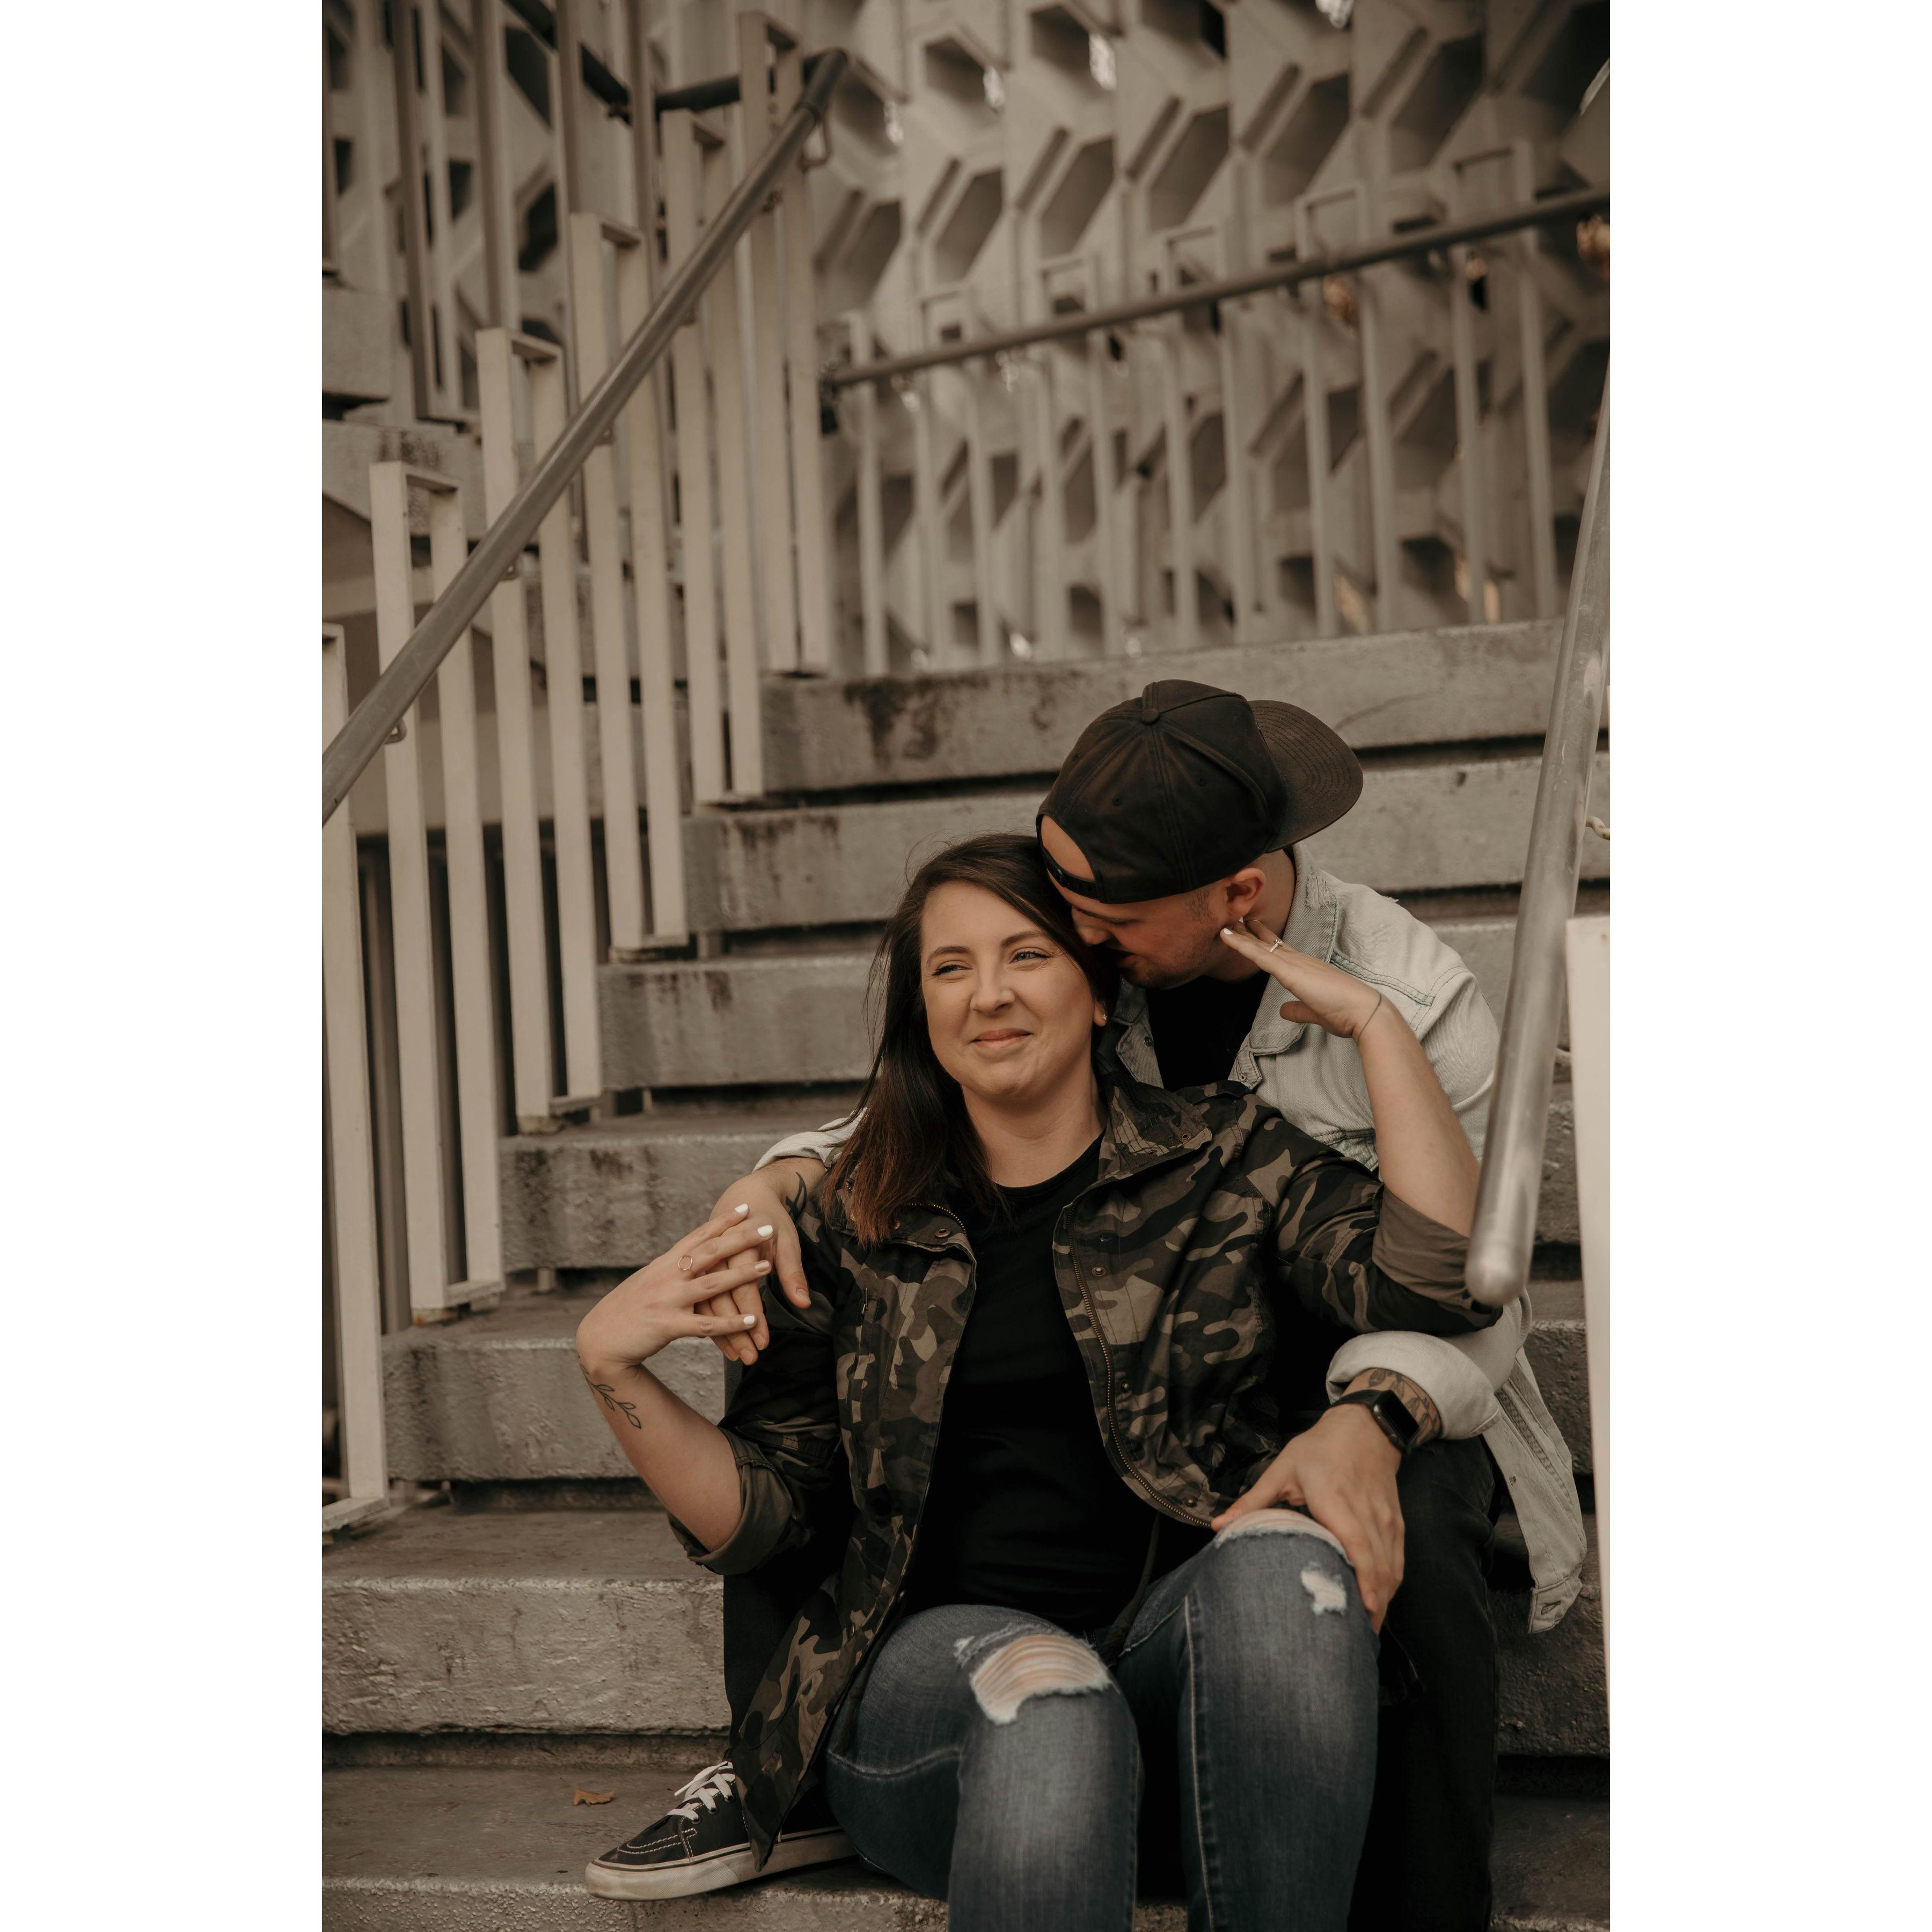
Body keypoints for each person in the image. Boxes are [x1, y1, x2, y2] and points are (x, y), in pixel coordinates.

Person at [645, 682, 1586, 1931]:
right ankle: (790, 1750)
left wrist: (1374, 1411)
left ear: (1235, 896)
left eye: (1091, 927)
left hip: (1361, 1341)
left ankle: (1407, 1900)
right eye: (1058, 903)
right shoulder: (1107, 922)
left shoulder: (1411, 994)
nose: (1071, 932)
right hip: (1153, 1341)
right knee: (830, 1316)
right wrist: (788, 1174)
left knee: (1377, 1520)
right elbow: (966, 1079)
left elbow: (1467, 1284)